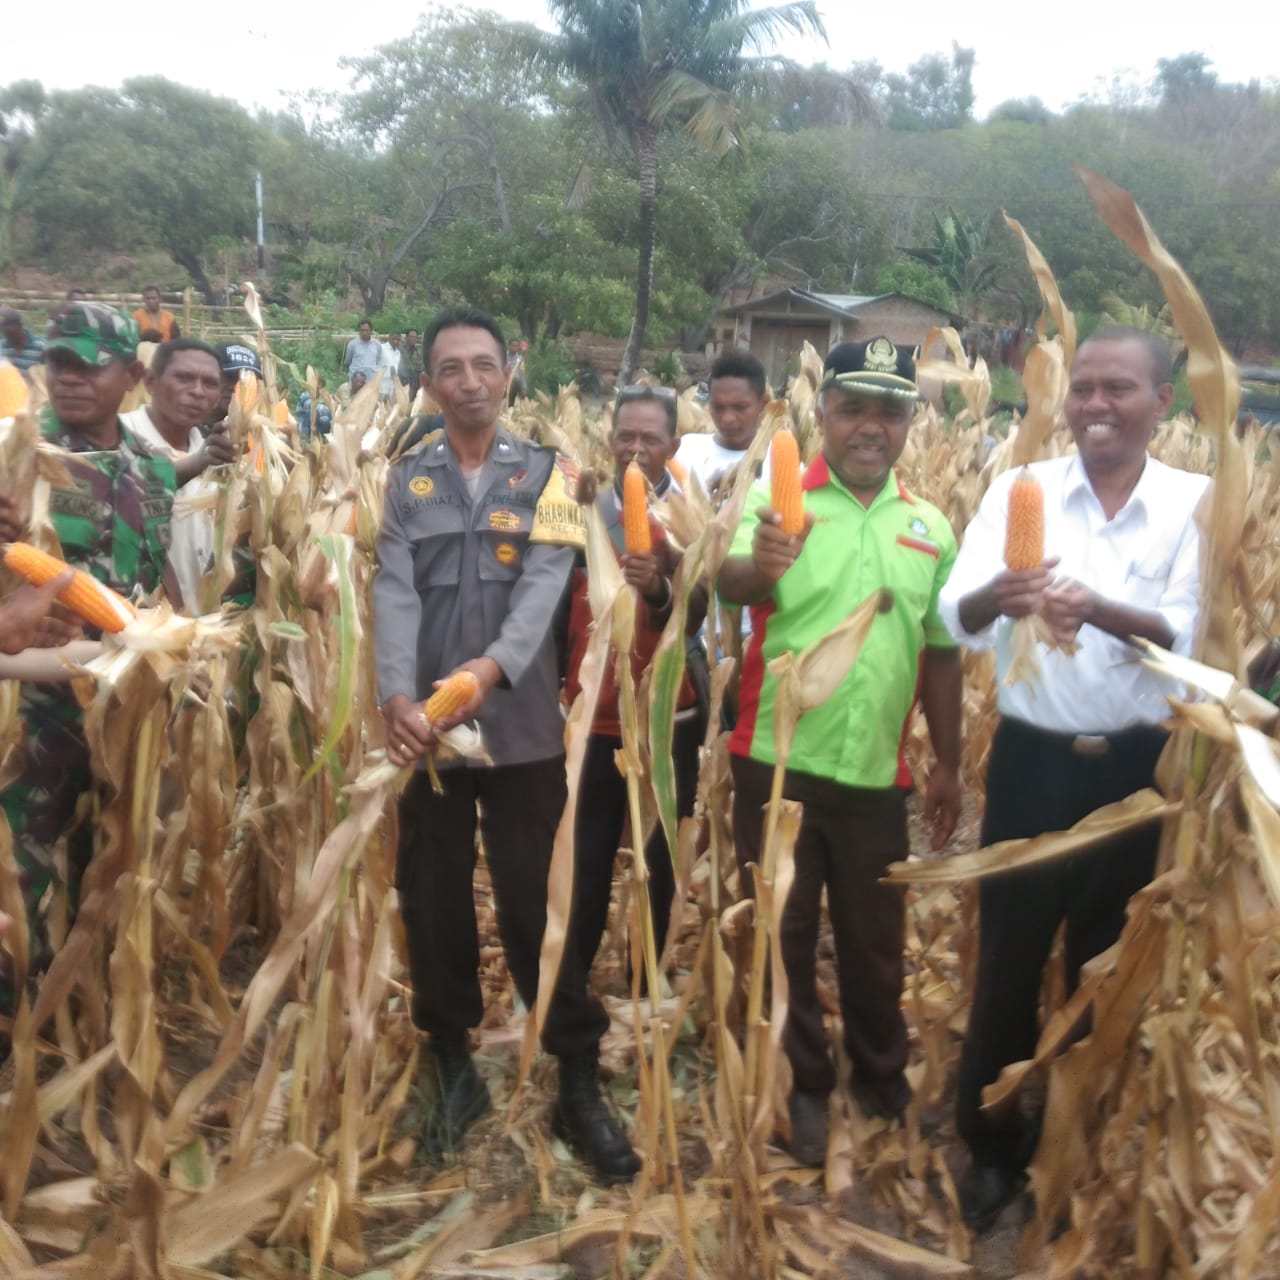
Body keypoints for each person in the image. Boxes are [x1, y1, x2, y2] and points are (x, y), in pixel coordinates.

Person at [938, 327, 1211, 1232]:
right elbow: (959, 609)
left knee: (1105, 968)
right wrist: (1001, 598)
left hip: (1137, 772)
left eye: (1118, 389)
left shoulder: (1196, 506)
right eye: (1083, 387)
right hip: (1028, 764)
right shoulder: (1026, 489)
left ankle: (1074, 1135)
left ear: (1161, 402)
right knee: (1009, 965)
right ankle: (990, 1147)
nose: (1095, 404)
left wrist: (1097, 611)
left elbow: (1191, 634)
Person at [374, 307, 639, 1182]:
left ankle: (574, 1071)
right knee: (433, 892)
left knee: (538, 900)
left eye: (484, 364)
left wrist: (488, 671)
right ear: (429, 383)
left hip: (520, 728)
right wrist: (397, 696)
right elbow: (395, 594)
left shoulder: (552, 475)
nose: (470, 382)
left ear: (508, 373)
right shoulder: (406, 480)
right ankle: (449, 1056)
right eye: (450, 369)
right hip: (428, 731)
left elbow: (546, 586)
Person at [719, 337, 963, 1165]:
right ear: (822, 414)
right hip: (776, 763)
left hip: (874, 777)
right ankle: (802, 1083)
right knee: (781, 936)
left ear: (908, 424)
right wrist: (762, 562)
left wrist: (951, 763)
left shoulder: (929, 526)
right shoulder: (776, 503)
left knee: (872, 939)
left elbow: (939, 651)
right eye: (852, 407)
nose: (869, 426)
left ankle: (882, 1078)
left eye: (888, 411)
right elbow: (730, 582)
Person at [0, 302, 176, 1011]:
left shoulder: (154, 472)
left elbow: (158, 578)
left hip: (124, 707)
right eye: (58, 364)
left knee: (106, 859)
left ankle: (76, 1001)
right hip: (30, 712)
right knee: (19, 871)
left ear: (131, 376)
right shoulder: (16, 458)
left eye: (87, 366)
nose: (69, 379)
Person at [564, 384, 707, 987]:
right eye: (627, 435)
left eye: (652, 438)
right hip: (594, 714)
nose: (637, 448)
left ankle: (646, 978)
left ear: (672, 444)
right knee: (586, 853)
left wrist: (659, 587)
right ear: (609, 437)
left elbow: (698, 612)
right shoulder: (581, 507)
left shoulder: (689, 515)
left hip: (667, 711)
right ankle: (567, 976)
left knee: (659, 854)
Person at [120, 339, 236, 607]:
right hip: (136, 633)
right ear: (150, 382)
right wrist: (197, 463)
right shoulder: (116, 438)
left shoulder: (215, 453)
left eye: (209, 383)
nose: (197, 391)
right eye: (184, 378)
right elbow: (120, 494)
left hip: (194, 634)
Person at [676, 350, 771, 497]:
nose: (727, 418)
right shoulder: (687, 451)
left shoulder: (778, 460)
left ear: (763, 404)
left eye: (740, 407)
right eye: (718, 407)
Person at [213, 342, 264, 424]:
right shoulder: (188, 429)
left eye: (248, 381)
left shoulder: (268, 431)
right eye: (229, 377)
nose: (235, 387)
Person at [0, 310, 46, 375]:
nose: (9, 338)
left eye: (12, 333)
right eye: (6, 334)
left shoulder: (40, 346)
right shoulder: (2, 346)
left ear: (20, 325)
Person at [342, 320, 381, 385]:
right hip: (356, 381)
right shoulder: (352, 344)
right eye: (362, 330)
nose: (364, 332)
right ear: (359, 331)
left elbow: (377, 361)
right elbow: (348, 362)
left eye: (366, 330)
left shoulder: (377, 344)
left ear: (371, 331)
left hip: (371, 381)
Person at [399, 328, 423, 396]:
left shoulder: (419, 352)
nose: (413, 339)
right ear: (406, 338)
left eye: (415, 337)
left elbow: (422, 371)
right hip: (403, 385)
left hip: (415, 384)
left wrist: (420, 388)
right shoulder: (400, 350)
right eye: (411, 337)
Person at [379, 331, 402, 399]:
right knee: (379, 406)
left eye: (398, 339)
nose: (395, 341)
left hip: (392, 385)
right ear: (389, 338)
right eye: (393, 339)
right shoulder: (382, 348)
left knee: (388, 407)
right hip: (381, 384)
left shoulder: (398, 353)